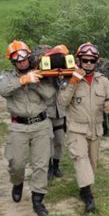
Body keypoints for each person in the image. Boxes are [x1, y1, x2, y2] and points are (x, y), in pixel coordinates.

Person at [58, 42, 109, 213]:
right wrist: (73, 81)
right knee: (80, 159)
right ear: (79, 60)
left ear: (97, 61)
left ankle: (84, 187)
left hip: (96, 129)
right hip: (77, 129)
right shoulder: (69, 79)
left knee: (92, 163)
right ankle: (88, 198)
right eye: (85, 60)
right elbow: (62, 102)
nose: (89, 64)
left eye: (92, 61)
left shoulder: (103, 81)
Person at [0, 40, 55, 216]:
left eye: (24, 58)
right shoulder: (7, 76)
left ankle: (38, 200)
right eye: (18, 60)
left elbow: (51, 96)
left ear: (29, 57)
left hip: (41, 125)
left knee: (41, 164)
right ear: (13, 62)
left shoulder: (42, 74)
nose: (22, 62)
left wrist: (35, 80)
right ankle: (17, 182)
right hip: (19, 126)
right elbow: (2, 89)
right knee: (17, 163)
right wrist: (22, 80)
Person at [42, 44, 69, 180]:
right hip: (46, 111)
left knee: (59, 140)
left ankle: (56, 165)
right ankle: (48, 167)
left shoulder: (64, 73)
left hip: (60, 111)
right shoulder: (42, 72)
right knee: (47, 140)